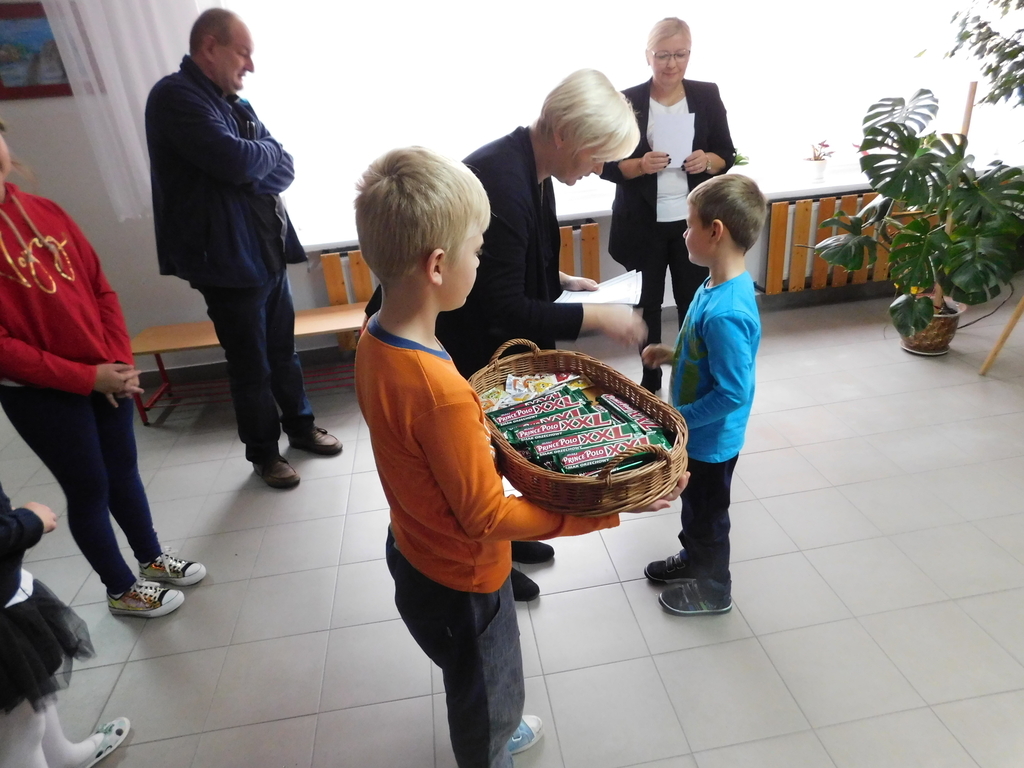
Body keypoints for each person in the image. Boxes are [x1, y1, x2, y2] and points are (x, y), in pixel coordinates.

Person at [353, 146, 686, 768]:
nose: (482, 263)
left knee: (474, 675)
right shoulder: (441, 391)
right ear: (437, 265)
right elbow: (486, 517)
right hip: (465, 577)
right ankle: (491, 747)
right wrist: (602, 511)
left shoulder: (375, 339)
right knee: (484, 688)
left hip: (415, 549)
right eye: (478, 251)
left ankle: (496, 730)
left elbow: (427, 454)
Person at [437, 69, 647, 601]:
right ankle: (491, 556)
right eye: (596, 156)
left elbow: (509, 259)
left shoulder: (531, 167)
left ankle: (508, 537)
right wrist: (598, 318)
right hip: (462, 339)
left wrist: (562, 280)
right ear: (563, 135)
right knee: (476, 456)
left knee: (496, 447)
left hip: (482, 335)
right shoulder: (502, 180)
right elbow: (503, 309)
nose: (598, 169)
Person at [0, 121, 206, 618]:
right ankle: (121, 588)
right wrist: (85, 378)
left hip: (105, 374)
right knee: (89, 487)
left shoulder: (46, 211)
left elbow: (100, 289)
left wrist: (118, 361)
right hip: (40, 391)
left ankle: (151, 558)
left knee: (123, 472)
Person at [145, 8, 341, 489]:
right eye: (243, 53)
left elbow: (284, 167)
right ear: (210, 47)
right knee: (251, 366)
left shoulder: (235, 103)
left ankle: (301, 428)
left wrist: (257, 161)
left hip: (265, 250)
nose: (250, 66)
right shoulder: (174, 97)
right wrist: (256, 159)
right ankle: (264, 454)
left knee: (284, 353)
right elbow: (236, 162)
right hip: (225, 261)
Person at [641, 174, 767, 615]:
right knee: (694, 507)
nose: (683, 233)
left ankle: (714, 590)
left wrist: (680, 420)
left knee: (708, 517)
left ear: (715, 232)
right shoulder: (713, 284)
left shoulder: (727, 312)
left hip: (711, 441)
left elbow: (733, 392)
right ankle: (694, 559)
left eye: (689, 224)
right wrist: (673, 354)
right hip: (698, 432)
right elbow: (705, 355)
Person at [601, 17, 737, 393]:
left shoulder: (706, 95)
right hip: (642, 222)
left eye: (680, 54)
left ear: (689, 54)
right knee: (646, 304)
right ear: (647, 56)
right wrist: (639, 165)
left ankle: (690, 372)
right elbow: (604, 164)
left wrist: (707, 161)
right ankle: (650, 378)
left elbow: (726, 153)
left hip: (692, 222)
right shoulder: (626, 100)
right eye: (662, 55)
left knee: (692, 301)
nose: (671, 64)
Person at [1, 480, 130, 768]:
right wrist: (27, 521)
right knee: (19, 732)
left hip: (9, 593)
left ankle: (62, 757)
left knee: (32, 690)